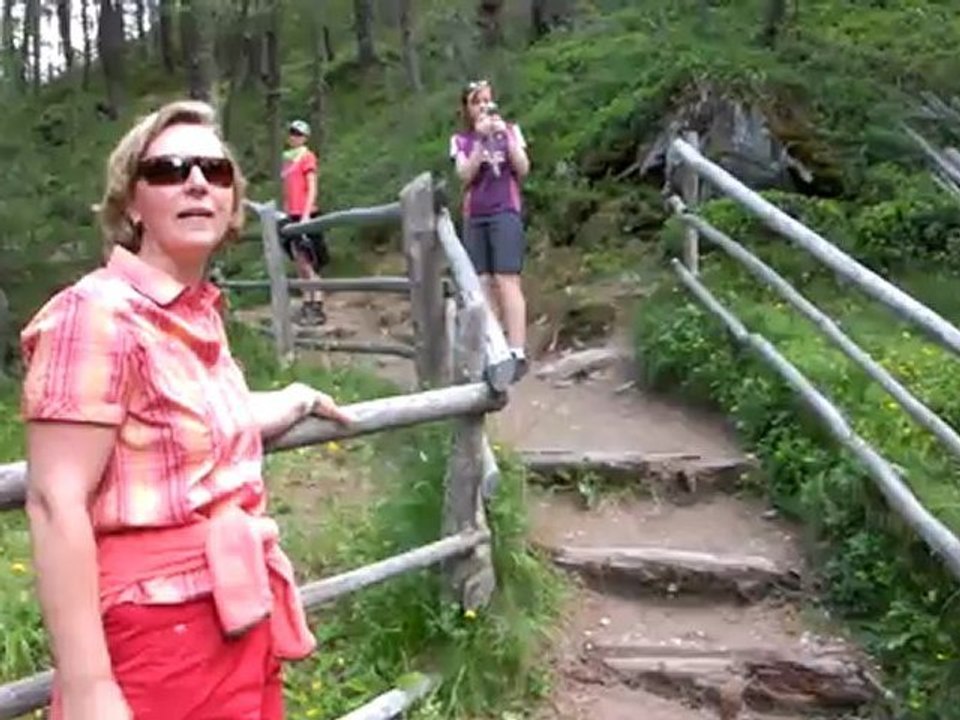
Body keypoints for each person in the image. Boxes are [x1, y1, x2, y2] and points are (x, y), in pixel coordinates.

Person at [19, 99, 351, 720]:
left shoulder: (194, 314)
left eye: (216, 170)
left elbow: (191, 420)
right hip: (156, 631)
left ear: (231, 206)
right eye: (170, 168)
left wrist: (296, 397)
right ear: (131, 203)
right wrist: (90, 689)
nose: (198, 181)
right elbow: (52, 499)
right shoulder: (94, 314)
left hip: (236, 613)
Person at [449, 79, 531, 380]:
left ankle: (517, 350)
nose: (483, 106)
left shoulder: (510, 131)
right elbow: (464, 175)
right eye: (476, 101)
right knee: (481, 283)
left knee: (507, 278)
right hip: (476, 214)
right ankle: (491, 349)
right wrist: (480, 143)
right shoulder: (461, 140)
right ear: (467, 109)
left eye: (486, 100)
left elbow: (522, 168)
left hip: (505, 210)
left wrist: (504, 137)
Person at [280, 119, 329, 326]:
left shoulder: (307, 157)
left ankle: (316, 303)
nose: (294, 137)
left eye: (298, 134)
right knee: (299, 261)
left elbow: (311, 186)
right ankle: (306, 302)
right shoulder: (287, 161)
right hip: (292, 213)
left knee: (309, 261)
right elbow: (287, 190)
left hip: (305, 213)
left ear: (305, 137)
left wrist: (307, 214)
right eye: (292, 133)